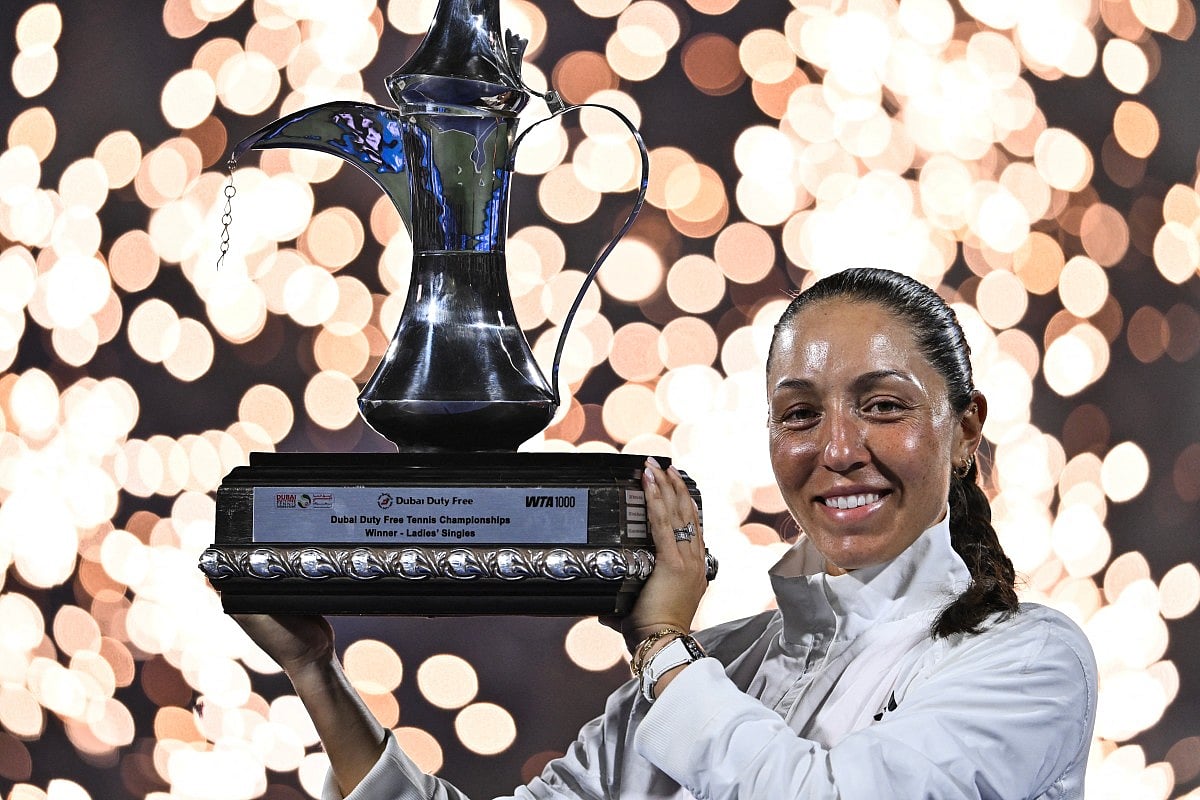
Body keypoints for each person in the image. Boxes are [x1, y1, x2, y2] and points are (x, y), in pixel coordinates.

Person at [236, 267, 1098, 799]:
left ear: (966, 429)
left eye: (882, 406)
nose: (838, 450)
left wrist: (658, 645)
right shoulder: (711, 665)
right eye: (800, 414)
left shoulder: (1030, 659)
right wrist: (315, 673)